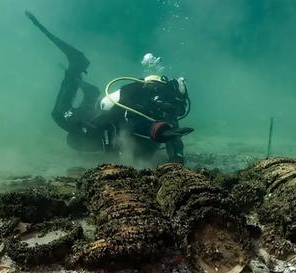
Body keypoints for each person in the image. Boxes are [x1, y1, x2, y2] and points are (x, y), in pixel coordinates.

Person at [26, 11, 192, 164]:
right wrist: (158, 131)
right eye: (173, 106)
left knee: (78, 139)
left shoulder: (165, 111)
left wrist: (177, 158)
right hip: (99, 120)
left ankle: (90, 94)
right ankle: (76, 66)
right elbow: (134, 123)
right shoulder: (144, 94)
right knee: (59, 116)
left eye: (177, 109)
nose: (172, 112)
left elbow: (174, 137)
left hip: (105, 124)